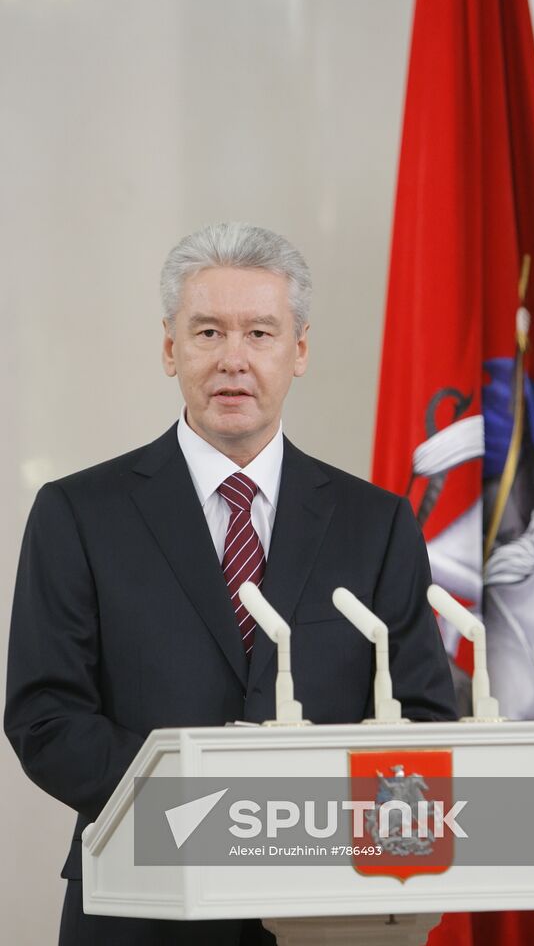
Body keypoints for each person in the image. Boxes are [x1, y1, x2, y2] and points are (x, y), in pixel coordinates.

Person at [4, 221, 457, 945]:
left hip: (332, 911)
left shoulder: (376, 524)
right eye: (208, 332)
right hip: (138, 906)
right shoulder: (78, 513)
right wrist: (213, 803)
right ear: (169, 348)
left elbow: (428, 722)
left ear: (299, 350)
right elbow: (45, 718)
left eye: (260, 333)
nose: (232, 361)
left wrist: (300, 820)